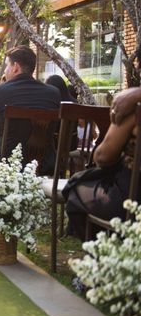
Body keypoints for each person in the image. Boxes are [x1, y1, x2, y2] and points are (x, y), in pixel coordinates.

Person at [0, 46, 61, 174]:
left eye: (7, 65)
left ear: (15, 67)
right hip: (44, 161)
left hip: (4, 159)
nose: (5, 71)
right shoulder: (53, 92)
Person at [64, 88, 141, 239]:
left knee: (75, 190)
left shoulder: (133, 106)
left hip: (130, 199)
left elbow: (103, 157)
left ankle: (103, 255)